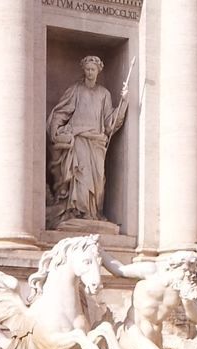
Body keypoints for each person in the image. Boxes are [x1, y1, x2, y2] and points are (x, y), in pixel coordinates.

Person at [46, 55, 128, 228]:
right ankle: (79, 212)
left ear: (98, 71)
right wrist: (55, 130)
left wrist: (123, 102)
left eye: (93, 70)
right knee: (81, 176)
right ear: (84, 70)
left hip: (97, 142)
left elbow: (109, 122)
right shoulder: (75, 90)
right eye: (88, 69)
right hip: (80, 139)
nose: (90, 72)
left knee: (98, 180)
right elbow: (61, 112)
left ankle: (93, 212)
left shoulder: (104, 94)